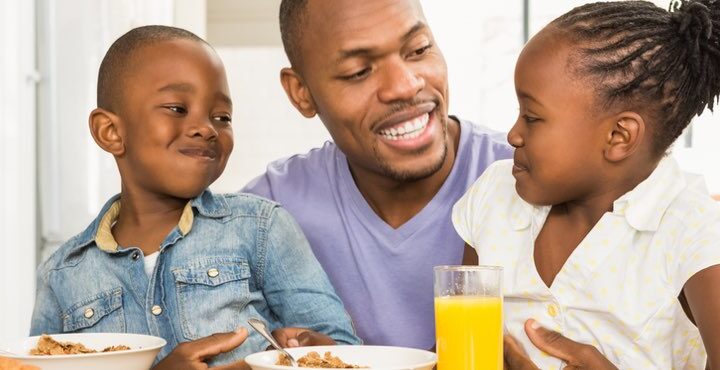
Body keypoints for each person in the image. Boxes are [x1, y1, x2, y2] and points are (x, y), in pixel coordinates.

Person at [29, 25, 360, 369]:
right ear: (111, 132)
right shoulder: (63, 275)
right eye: (177, 108)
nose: (207, 128)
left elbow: (343, 352)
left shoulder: (261, 228)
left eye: (222, 117)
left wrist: (316, 351)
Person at [452, 0, 720, 368]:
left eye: (532, 117)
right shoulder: (493, 197)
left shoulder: (694, 230)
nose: (513, 135)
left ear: (619, 136)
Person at [241, 0, 513, 349]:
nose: (404, 85)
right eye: (358, 71)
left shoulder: (529, 178)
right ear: (301, 93)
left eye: (418, 49)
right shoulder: (262, 215)